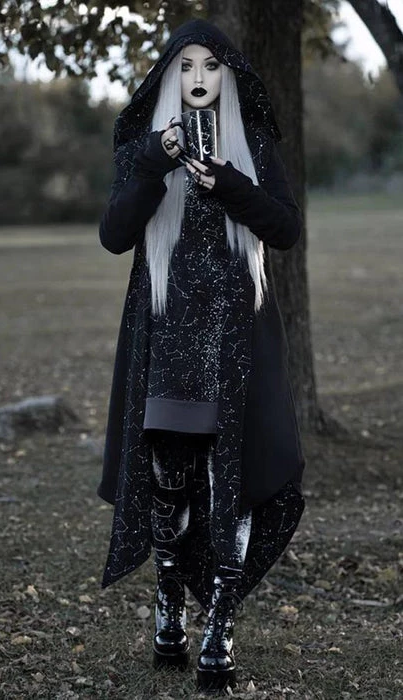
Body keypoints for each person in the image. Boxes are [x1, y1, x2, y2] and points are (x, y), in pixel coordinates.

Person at [97, 18, 306, 694]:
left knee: (234, 480)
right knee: (169, 479)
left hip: (237, 338)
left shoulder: (253, 142)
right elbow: (113, 234)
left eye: (210, 65)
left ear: (227, 75)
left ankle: (219, 623)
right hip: (168, 334)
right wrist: (156, 163)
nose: (197, 77)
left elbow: (285, 229)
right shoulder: (143, 145)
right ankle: (168, 603)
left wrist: (228, 183)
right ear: (169, 75)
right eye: (185, 65)